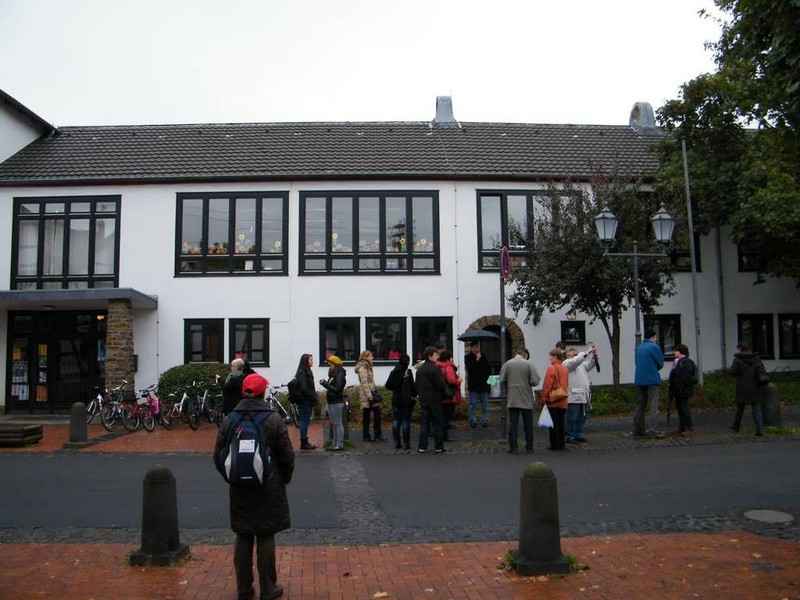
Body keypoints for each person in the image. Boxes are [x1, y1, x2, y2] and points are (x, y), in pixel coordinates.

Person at [213, 372, 295, 600]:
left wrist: (231, 476)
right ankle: (268, 588)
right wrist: (284, 478)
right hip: (269, 484)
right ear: (262, 392)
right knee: (266, 534)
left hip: (240, 487)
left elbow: (218, 455)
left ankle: (244, 589)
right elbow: (287, 455)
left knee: (244, 534)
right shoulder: (273, 419)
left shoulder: (230, 420)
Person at [500, 347, 541, 454]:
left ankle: (513, 447)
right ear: (525, 355)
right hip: (526, 397)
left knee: (513, 424)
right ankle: (529, 447)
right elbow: (535, 381)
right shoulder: (529, 365)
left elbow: (502, 378)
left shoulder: (508, 364)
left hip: (513, 398)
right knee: (528, 424)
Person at [633, 330, 665, 438]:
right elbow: (660, 363)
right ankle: (653, 429)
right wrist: (654, 368)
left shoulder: (638, 348)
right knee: (654, 404)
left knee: (640, 404)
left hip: (639, 379)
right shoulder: (654, 347)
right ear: (652, 338)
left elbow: (637, 362)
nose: (656, 339)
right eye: (655, 337)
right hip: (652, 379)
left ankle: (638, 428)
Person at [416, 346, 447, 453]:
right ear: (430, 356)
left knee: (424, 424)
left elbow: (417, 385)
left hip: (424, 400)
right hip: (435, 400)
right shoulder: (435, 369)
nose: (437, 357)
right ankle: (438, 446)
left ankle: (422, 446)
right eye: (435, 355)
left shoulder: (420, 370)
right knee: (437, 424)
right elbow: (441, 385)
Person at [563, 346, 597, 443]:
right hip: (573, 397)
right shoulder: (566, 364)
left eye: (577, 354)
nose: (577, 356)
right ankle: (570, 435)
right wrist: (586, 353)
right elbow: (575, 361)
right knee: (572, 417)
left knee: (581, 417)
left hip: (583, 396)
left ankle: (577, 434)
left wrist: (594, 357)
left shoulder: (581, 365)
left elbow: (590, 365)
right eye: (575, 355)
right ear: (569, 355)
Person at [730, 342, 765, 436]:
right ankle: (760, 429)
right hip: (755, 385)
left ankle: (736, 426)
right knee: (756, 408)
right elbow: (762, 370)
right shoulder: (756, 358)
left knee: (740, 407)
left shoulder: (738, 359)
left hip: (742, 386)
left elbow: (733, 372)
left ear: (740, 349)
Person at [385, 353, 416, 449]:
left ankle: (397, 442)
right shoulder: (408, 373)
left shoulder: (393, 372)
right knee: (406, 421)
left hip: (396, 399)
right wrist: (414, 395)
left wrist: (395, 389)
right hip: (406, 400)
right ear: (407, 362)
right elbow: (413, 387)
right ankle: (406, 443)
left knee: (396, 420)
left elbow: (387, 385)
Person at [541, 348, 569, 450]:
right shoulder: (565, 369)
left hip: (553, 400)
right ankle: (562, 444)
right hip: (563, 398)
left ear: (555, 357)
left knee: (553, 423)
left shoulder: (551, 369)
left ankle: (554, 444)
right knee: (561, 422)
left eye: (551, 356)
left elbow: (547, 385)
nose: (550, 358)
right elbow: (566, 383)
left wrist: (543, 398)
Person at [355, 350, 384, 442]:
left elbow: (370, 381)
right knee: (372, 414)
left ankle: (371, 435)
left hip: (371, 392)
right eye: (370, 356)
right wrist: (369, 396)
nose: (372, 358)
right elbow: (364, 383)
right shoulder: (363, 367)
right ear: (365, 357)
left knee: (370, 414)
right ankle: (372, 435)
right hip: (367, 394)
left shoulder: (367, 366)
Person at [668, 344, 697, 437]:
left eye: (676, 351)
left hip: (683, 389)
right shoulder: (678, 361)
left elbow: (686, 376)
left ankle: (689, 427)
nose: (674, 353)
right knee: (680, 409)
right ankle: (682, 427)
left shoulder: (686, 362)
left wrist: (680, 386)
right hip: (678, 390)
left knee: (685, 409)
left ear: (681, 352)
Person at [320, 355, 346, 451]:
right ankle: (335, 443)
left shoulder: (340, 375)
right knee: (334, 423)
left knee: (338, 423)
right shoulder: (333, 375)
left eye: (330, 365)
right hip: (331, 401)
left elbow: (337, 389)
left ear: (336, 365)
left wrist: (325, 384)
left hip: (336, 401)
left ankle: (339, 444)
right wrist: (325, 384)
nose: (329, 367)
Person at [464, 342, 492, 428]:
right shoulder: (467, 357)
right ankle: (473, 420)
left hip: (483, 384)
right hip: (473, 384)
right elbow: (470, 369)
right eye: (476, 347)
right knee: (473, 404)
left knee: (485, 404)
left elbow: (488, 369)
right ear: (472, 348)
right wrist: (476, 360)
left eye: (478, 347)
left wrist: (487, 380)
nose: (477, 349)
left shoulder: (483, 357)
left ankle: (485, 420)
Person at [294, 353, 318, 450]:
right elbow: (304, 388)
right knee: (304, 421)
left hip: (308, 400)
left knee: (305, 421)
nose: (312, 361)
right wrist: (313, 396)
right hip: (305, 401)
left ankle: (304, 441)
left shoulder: (306, 371)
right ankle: (304, 442)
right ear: (305, 361)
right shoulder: (302, 372)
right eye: (310, 360)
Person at [437, 351, 462, 441]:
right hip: (449, 396)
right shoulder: (448, 367)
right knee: (446, 417)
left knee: (441, 417)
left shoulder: (437, 366)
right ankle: (444, 436)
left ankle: (440, 434)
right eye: (451, 357)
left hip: (440, 395)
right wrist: (458, 380)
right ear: (448, 359)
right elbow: (451, 380)